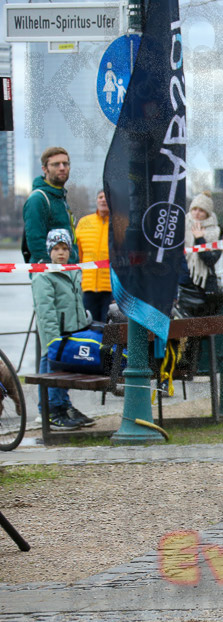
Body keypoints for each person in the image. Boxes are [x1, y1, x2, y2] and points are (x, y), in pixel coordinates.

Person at [32, 229, 95, 431]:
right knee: (52, 369)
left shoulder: (74, 271)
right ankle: (53, 409)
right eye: (57, 248)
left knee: (63, 369)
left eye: (65, 248)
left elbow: (76, 301)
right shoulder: (43, 276)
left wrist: (82, 324)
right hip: (55, 334)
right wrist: (52, 339)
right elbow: (45, 310)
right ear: (49, 251)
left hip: (72, 332)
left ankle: (62, 405)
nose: (61, 253)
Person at [22, 147, 75, 265]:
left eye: (65, 164)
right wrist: (52, 268)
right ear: (44, 169)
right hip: (49, 275)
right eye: (56, 164)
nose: (62, 168)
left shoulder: (60, 198)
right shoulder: (38, 199)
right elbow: (35, 242)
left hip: (67, 271)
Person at [75, 190, 112, 322]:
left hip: (111, 288)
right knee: (89, 326)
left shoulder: (118, 224)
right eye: (100, 197)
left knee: (109, 329)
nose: (103, 200)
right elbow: (77, 254)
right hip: (89, 287)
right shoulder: (84, 222)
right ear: (96, 200)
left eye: (106, 197)